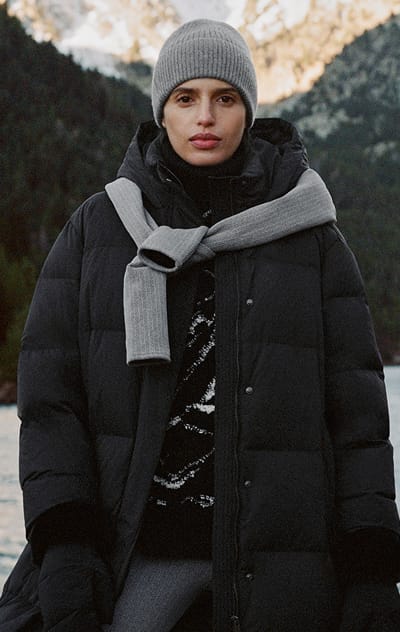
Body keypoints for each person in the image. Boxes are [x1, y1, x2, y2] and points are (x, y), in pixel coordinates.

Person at [1, 18, 400, 632]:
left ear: (249, 111)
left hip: (284, 569)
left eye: (225, 98)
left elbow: (359, 420)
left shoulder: (311, 240)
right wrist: (66, 543)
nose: (205, 117)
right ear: (163, 110)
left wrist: (372, 568)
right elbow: (52, 401)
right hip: (136, 556)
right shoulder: (99, 229)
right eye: (186, 98)